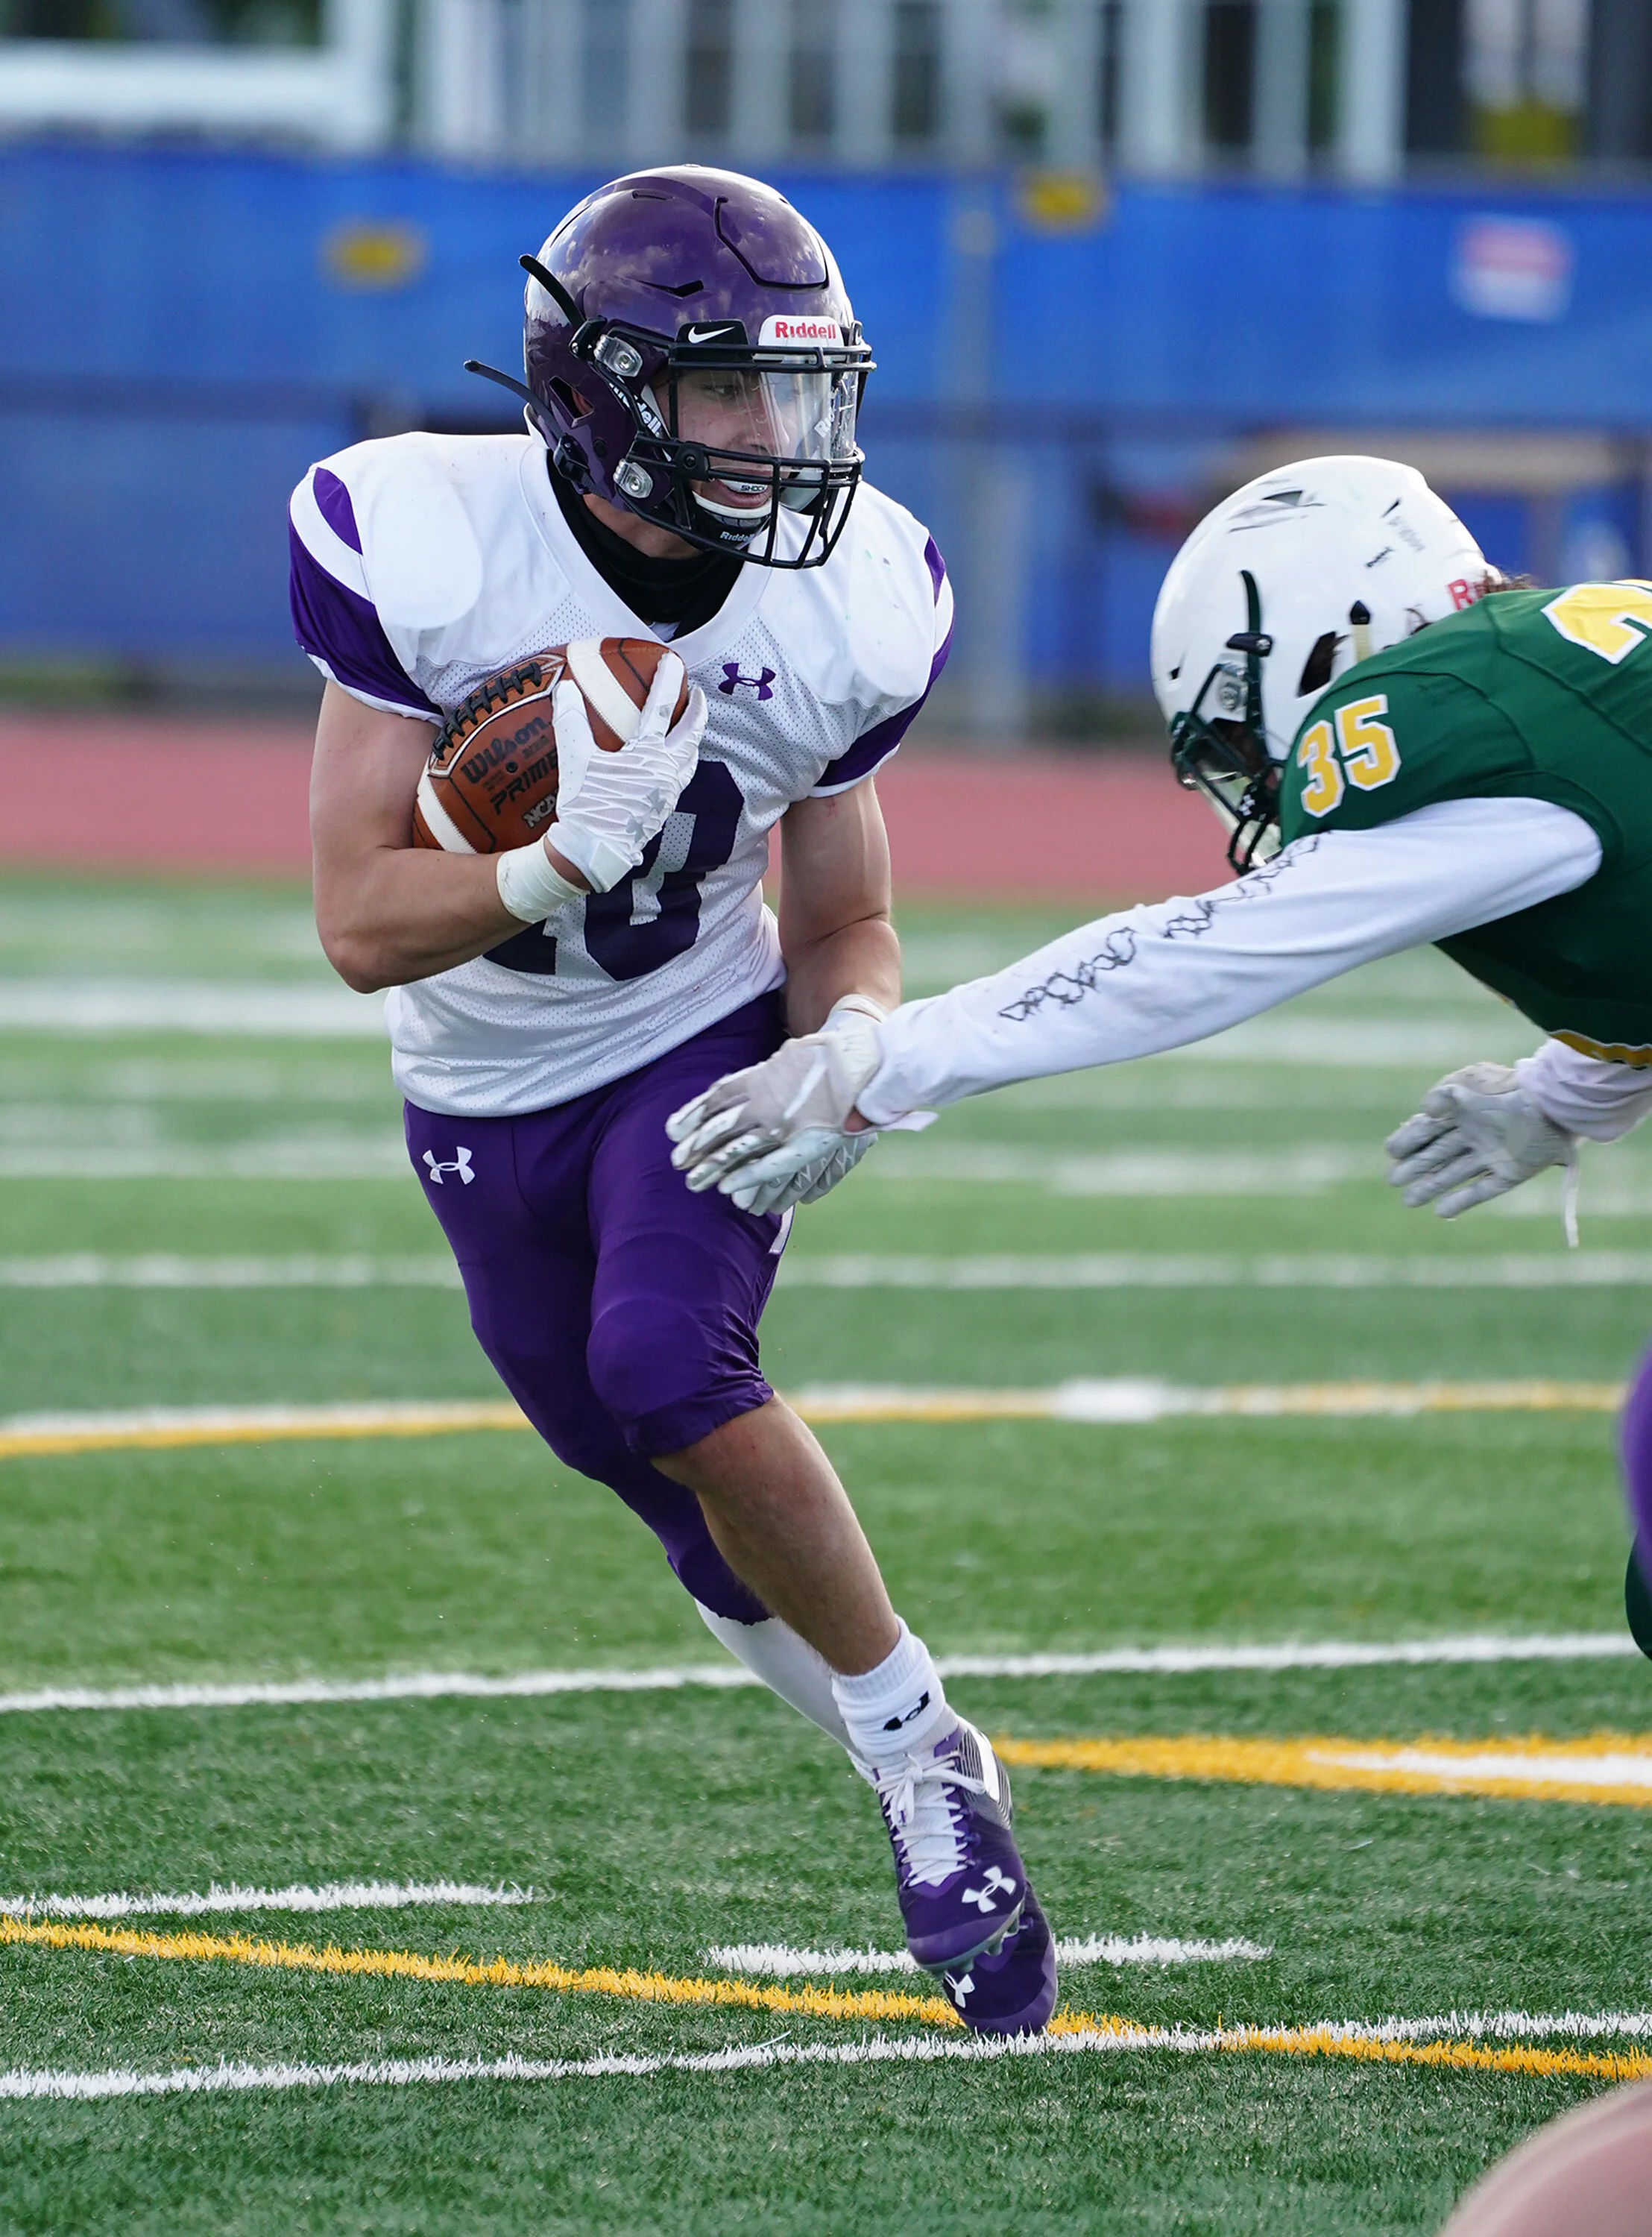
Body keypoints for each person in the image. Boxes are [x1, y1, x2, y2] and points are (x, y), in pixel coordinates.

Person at [291, 163, 1056, 2036]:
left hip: (690, 1039)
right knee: (639, 1474)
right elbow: (361, 922)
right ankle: (932, 1739)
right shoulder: (430, 536)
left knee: (665, 1366)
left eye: (792, 384)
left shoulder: (859, 598)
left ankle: (915, 1769)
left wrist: (845, 1049)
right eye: (722, 384)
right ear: (601, 387)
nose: (773, 429)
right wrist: (547, 868)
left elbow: (848, 917)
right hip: (479, 1076)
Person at [668, 453, 1652, 1636]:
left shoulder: (1457, 712)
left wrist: (877, 1064)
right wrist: (1568, 1093)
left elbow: (1204, 954)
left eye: (1244, 738)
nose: (1258, 779)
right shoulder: (1570, 668)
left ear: (1334, 631)